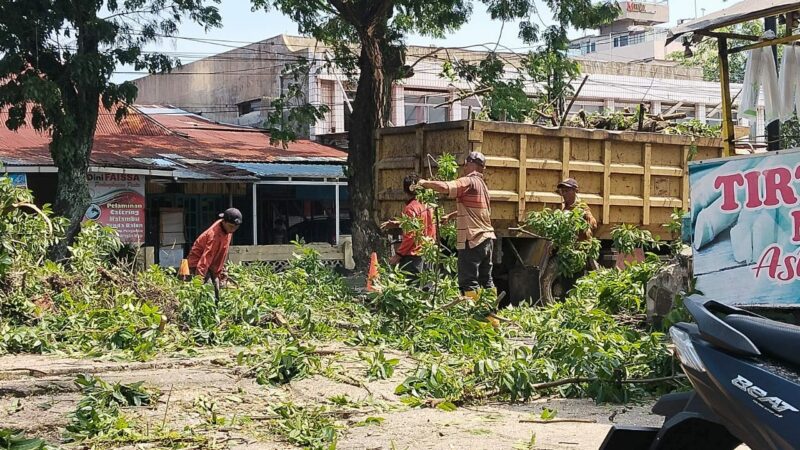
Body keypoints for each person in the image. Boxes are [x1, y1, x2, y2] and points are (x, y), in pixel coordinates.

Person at [418, 151, 496, 297]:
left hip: (473, 239)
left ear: (469, 164)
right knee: (486, 281)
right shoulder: (483, 187)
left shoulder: (469, 181)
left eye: (465, 165)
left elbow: (445, 187)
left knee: (468, 282)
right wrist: (451, 215)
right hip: (487, 238)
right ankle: (492, 317)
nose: (464, 168)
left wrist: (425, 183)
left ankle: (475, 317)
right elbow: (476, 211)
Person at [380, 174, 436, 280]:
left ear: (406, 190)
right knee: (427, 290)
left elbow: (411, 235)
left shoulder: (411, 208)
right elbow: (425, 225)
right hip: (428, 253)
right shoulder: (428, 205)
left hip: (413, 257)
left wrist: (398, 255)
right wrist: (398, 223)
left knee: (412, 290)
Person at [187, 208, 242, 301]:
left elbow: (222, 252)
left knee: (217, 292)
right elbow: (205, 260)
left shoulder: (227, 229)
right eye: (231, 226)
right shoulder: (214, 236)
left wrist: (221, 271)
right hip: (198, 265)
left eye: (236, 227)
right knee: (208, 294)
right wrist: (198, 281)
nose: (233, 230)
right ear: (224, 222)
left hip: (211, 265)